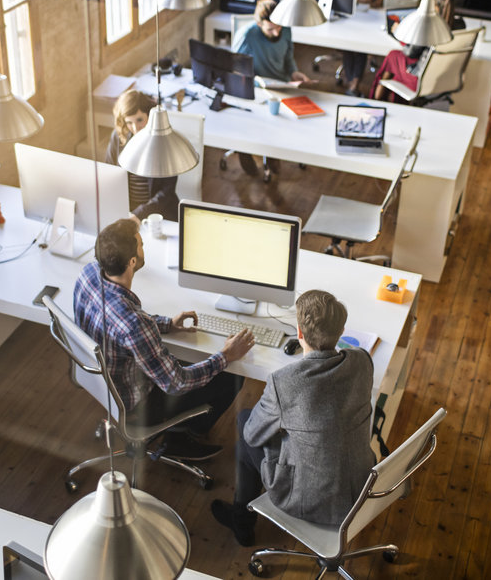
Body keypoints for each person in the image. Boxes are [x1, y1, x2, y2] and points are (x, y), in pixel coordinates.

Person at [73, 219, 254, 460]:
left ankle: (181, 431)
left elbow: (119, 325)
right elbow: (176, 383)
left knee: (186, 355)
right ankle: (181, 438)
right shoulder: (134, 324)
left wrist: (167, 324)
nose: (143, 247)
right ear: (132, 262)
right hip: (138, 407)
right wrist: (225, 356)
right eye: (141, 244)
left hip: (101, 383)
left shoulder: (88, 275)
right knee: (232, 376)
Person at [211, 289, 376, 546]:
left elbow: (254, 435)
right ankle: (241, 518)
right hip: (360, 485)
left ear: (299, 334)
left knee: (245, 423)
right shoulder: (363, 361)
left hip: (309, 499)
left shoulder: (285, 381)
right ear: (341, 331)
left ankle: (241, 522)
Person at [232, 0, 313, 176]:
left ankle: (272, 152)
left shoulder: (285, 29)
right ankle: (244, 149)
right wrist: (258, 83)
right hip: (257, 89)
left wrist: (294, 72)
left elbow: (288, 56)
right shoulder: (247, 36)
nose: (277, 33)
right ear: (259, 24)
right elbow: (236, 71)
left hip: (282, 85)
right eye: (271, 29)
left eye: (279, 28)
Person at [371, 0, 466, 102]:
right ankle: (386, 99)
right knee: (396, 59)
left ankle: (378, 100)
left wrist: (398, 33)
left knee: (393, 57)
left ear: (434, 5)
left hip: (421, 78)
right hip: (443, 76)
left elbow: (411, 52)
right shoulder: (460, 24)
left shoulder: (428, 26)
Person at [106, 89, 180, 221]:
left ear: (150, 116)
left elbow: (167, 191)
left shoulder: (164, 139)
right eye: (129, 122)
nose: (135, 128)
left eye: (140, 120)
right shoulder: (118, 138)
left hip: (159, 212)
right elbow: (108, 173)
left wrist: (139, 214)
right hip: (127, 211)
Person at [341, 0, 404, 97]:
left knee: (362, 44)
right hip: (349, 17)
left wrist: (376, 1)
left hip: (370, 18)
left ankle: (354, 84)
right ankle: (352, 84)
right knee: (350, 44)